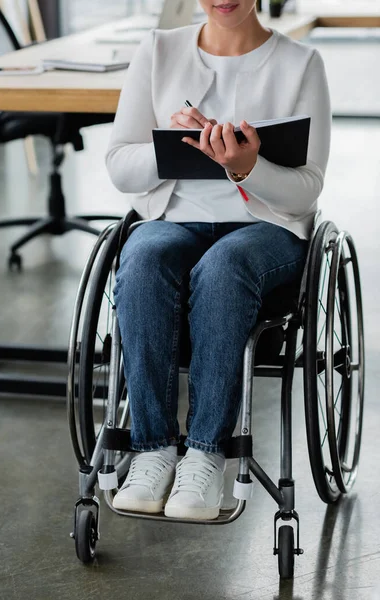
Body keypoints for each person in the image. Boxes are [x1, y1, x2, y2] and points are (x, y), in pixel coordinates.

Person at [105, 0, 331, 520]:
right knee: (141, 263)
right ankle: (154, 449)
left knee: (225, 268)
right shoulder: (159, 51)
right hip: (174, 220)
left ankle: (205, 456)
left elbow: (305, 190)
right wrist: (178, 146)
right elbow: (120, 165)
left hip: (266, 228)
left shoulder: (301, 63)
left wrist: (247, 166)